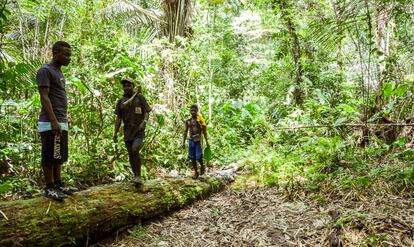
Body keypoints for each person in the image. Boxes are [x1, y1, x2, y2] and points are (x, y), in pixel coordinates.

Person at [37, 41, 78, 201]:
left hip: (60, 120)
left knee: (58, 154)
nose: (69, 58)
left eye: (70, 55)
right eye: (65, 54)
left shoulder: (59, 72)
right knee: (49, 155)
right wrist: (53, 120)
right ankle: (49, 187)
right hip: (49, 121)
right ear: (55, 53)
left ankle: (58, 184)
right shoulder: (45, 70)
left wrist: (62, 120)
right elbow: (44, 97)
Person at [113, 78, 151, 189]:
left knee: (135, 150)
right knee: (131, 154)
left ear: (133, 87)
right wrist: (115, 132)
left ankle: (139, 175)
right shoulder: (121, 101)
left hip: (138, 131)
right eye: (125, 86)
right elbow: (118, 118)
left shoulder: (140, 98)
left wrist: (144, 122)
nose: (127, 88)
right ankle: (136, 177)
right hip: (127, 132)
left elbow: (147, 111)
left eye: (129, 85)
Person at [182, 104, 209, 179]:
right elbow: (185, 132)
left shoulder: (200, 120)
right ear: (190, 111)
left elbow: (204, 131)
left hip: (198, 140)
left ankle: (202, 167)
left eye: (194, 110)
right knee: (192, 158)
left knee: (198, 157)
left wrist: (207, 142)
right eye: (191, 110)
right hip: (191, 141)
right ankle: (196, 172)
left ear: (197, 111)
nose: (193, 112)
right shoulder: (188, 121)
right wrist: (183, 142)